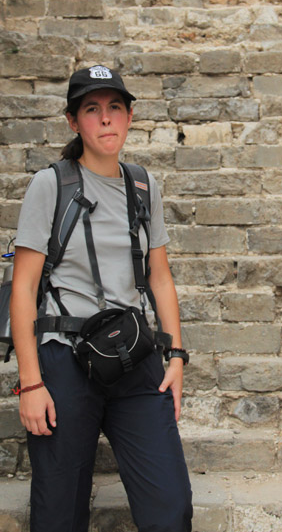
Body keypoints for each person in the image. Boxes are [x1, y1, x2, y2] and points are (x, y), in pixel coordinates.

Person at [10, 65, 193, 532]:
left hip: (133, 355)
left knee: (170, 508)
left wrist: (175, 355)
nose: (105, 119)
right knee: (58, 511)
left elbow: (160, 276)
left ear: (130, 117)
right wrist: (29, 384)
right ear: (74, 122)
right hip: (63, 358)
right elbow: (24, 286)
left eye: (115, 108)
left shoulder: (142, 185)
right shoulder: (51, 184)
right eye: (92, 109)